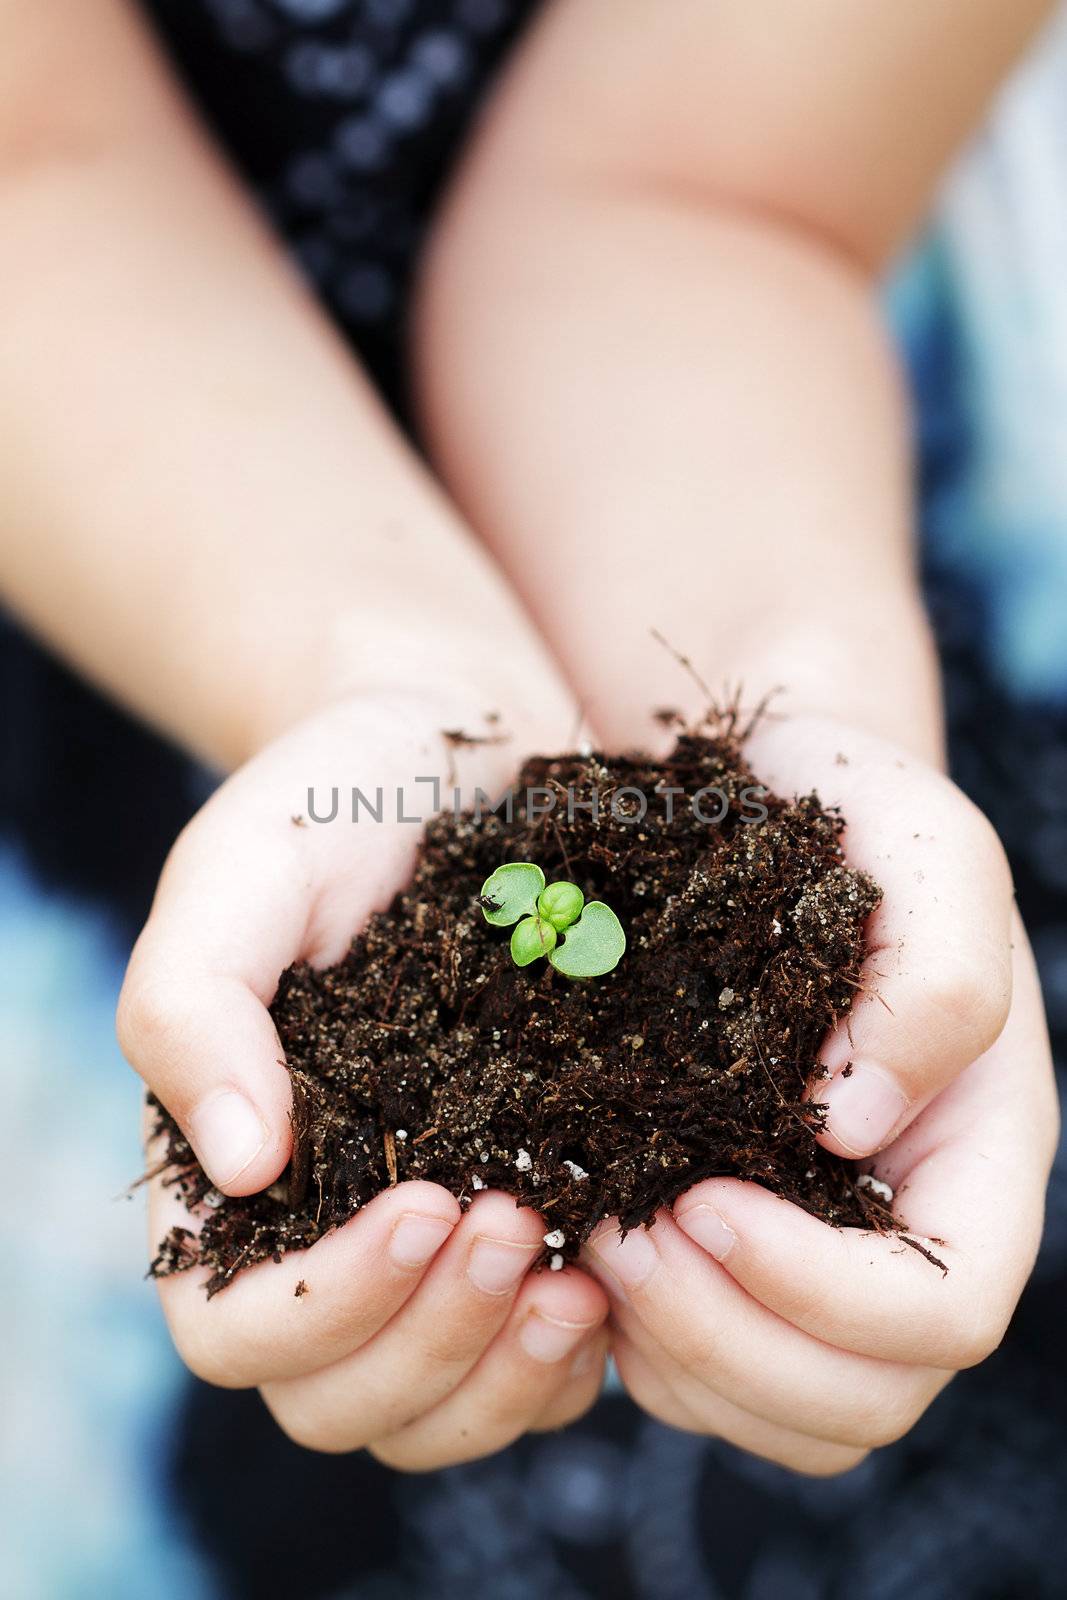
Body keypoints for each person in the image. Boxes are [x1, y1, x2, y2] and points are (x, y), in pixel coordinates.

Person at [0, 0, 1058, 1488]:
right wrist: (377, 684)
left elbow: (702, 195)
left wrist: (794, 717)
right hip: (142, 571)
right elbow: (29, 175)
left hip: (748, 496)